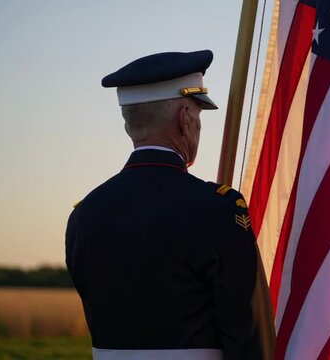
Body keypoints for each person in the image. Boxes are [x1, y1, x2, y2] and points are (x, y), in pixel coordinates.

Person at [65, 50, 263, 360]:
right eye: (197, 116)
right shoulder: (218, 209)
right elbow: (244, 336)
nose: (197, 127)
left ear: (129, 124)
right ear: (185, 118)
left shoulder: (84, 214)